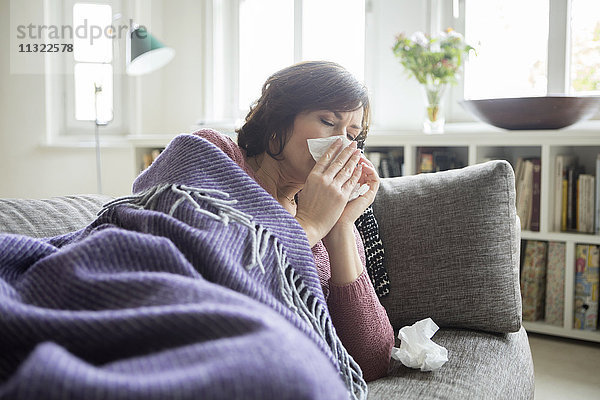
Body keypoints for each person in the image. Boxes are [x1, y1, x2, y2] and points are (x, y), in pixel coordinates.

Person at [193, 60, 394, 381]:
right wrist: (310, 223)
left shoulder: (336, 222)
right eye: (328, 121)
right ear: (278, 122)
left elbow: (372, 362)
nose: (342, 143)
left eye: (352, 135)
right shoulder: (214, 153)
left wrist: (339, 228)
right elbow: (208, 275)